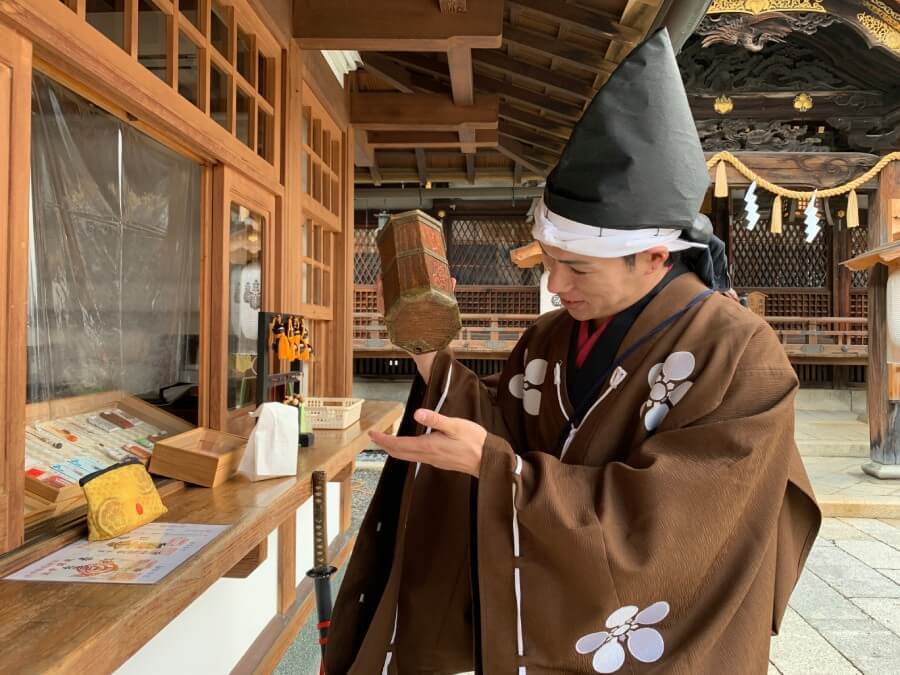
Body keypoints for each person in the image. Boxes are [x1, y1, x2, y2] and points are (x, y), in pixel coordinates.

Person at [325, 28, 820, 675]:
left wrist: (501, 472)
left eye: (577, 268)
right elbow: (503, 433)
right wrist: (431, 362)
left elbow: (671, 534)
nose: (555, 285)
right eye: (549, 262)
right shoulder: (549, 338)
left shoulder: (739, 357)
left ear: (653, 257)